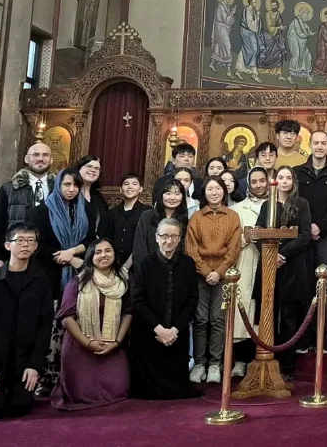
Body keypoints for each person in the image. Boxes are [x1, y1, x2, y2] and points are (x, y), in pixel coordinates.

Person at [0, 223, 54, 421]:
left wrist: (34, 366)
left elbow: (44, 327)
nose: (26, 245)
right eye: (20, 240)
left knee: (21, 406)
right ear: (8, 245)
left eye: (31, 241)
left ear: (35, 247)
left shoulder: (41, 282)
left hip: (23, 362)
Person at [29, 167, 100, 393]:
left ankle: (71, 377)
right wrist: (65, 257)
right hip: (49, 275)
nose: (71, 189)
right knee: (50, 328)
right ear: (58, 185)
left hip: (78, 276)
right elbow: (37, 244)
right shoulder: (41, 211)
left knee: (75, 326)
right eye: (66, 185)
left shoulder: (86, 210)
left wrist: (73, 252)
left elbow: (91, 240)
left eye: (75, 185)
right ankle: (45, 378)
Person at [51, 238, 132, 410]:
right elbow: (67, 318)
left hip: (112, 345)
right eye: (98, 252)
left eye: (108, 251)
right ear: (90, 257)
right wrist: (89, 343)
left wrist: (116, 342)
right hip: (81, 344)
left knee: (119, 390)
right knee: (82, 394)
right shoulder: (77, 283)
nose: (104, 255)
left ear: (115, 254)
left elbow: (128, 313)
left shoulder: (123, 282)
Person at [130, 219, 200, 399]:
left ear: (179, 239)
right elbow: (138, 302)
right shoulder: (144, 263)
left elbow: (192, 301)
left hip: (177, 333)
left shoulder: (188, 264)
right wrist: (159, 330)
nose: (168, 241)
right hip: (150, 333)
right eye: (164, 236)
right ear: (156, 238)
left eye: (174, 236)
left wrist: (174, 330)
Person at [254, 167, 312, 380]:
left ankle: (286, 366)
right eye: (281, 177)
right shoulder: (266, 205)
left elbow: (305, 235)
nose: (285, 181)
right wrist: (270, 255)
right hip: (269, 265)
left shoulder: (301, 204)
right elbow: (258, 233)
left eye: (288, 178)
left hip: (292, 265)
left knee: (288, 316)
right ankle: (266, 358)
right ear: (274, 181)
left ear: (293, 181)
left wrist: (282, 255)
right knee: (267, 313)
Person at [186, 176, 243, 384]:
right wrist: (205, 271)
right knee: (201, 320)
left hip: (223, 275)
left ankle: (215, 364)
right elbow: (191, 248)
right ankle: (200, 363)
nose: (214, 193)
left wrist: (218, 271)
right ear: (204, 193)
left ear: (224, 192)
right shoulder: (197, 217)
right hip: (200, 275)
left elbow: (234, 248)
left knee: (218, 320)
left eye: (218, 189)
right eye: (210, 189)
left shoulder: (232, 216)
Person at [295, 130, 327, 349]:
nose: (319, 146)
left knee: (324, 285)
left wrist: (320, 226)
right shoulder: (298, 172)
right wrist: (308, 228)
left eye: (323, 143)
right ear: (309, 145)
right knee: (304, 285)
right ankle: (304, 338)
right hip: (303, 238)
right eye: (315, 143)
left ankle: (322, 339)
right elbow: (294, 203)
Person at [0, 142, 54, 268]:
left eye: (45, 155)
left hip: (49, 256)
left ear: (51, 159)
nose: (40, 159)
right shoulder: (9, 188)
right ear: (27, 159)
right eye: (36, 155)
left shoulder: (59, 189)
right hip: (15, 254)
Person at [231, 167, 268, 376]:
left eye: (262, 181)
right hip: (245, 259)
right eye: (254, 182)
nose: (259, 185)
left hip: (268, 260)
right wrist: (246, 238)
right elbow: (231, 239)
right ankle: (242, 359)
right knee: (243, 309)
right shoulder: (237, 209)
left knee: (264, 308)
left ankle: (263, 356)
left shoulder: (275, 205)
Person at [132, 178, 189, 266]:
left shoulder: (185, 220)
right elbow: (139, 248)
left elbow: (185, 249)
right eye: (168, 193)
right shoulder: (146, 216)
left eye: (177, 194)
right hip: (148, 269)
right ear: (161, 195)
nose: (172, 198)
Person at [108, 174, 150, 272]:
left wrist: (127, 266)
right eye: (126, 184)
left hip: (138, 266)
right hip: (113, 265)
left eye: (134, 184)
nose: (130, 187)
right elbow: (107, 238)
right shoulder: (112, 213)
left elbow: (145, 241)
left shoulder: (147, 212)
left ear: (141, 189)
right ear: (121, 189)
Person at [74, 155, 112, 240]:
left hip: (96, 248)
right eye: (89, 166)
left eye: (97, 168)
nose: (93, 170)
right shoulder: (70, 193)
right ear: (79, 168)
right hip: (73, 248)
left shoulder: (99, 197)